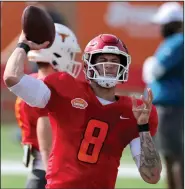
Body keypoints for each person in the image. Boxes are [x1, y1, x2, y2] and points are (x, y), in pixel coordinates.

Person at [4, 32, 162, 188]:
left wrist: (143, 128)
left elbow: (152, 176)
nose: (109, 64)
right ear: (89, 64)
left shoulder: (132, 111)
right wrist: (23, 45)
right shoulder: (65, 89)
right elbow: (12, 78)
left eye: (115, 60)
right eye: (102, 59)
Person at [14, 23, 81, 189]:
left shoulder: (31, 84)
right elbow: (47, 146)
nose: (72, 59)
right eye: (70, 54)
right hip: (49, 174)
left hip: (40, 173)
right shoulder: (46, 91)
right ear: (57, 54)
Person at [142, 2, 184, 189]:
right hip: (168, 106)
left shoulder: (178, 42)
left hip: (171, 106)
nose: (160, 27)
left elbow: (154, 70)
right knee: (169, 155)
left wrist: (150, 64)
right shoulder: (173, 42)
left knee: (174, 154)